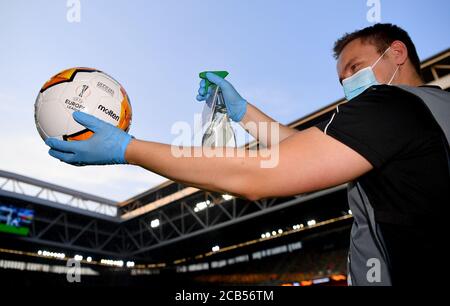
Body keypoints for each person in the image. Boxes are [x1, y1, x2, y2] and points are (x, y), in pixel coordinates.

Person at [45, 23, 450, 286]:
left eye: (355, 67)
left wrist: (128, 149)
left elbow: (258, 177)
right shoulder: (433, 109)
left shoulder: (390, 104)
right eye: (342, 77)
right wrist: (241, 111)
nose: (348, 83)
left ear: (397, 52)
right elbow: (301, 148)